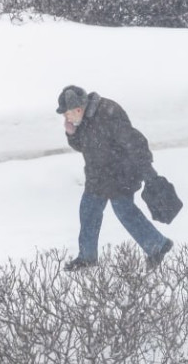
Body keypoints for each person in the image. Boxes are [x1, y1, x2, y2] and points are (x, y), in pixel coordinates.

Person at [56, 85, 174, 272]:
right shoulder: (83, 120)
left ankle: (157, 246)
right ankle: (87, 257)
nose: (66, 118)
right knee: (88, 212)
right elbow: (84, 146)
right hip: (97, 177)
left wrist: (148, 172)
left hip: (121, 174)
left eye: (67, 114)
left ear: (77, 109)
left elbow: (134, 142)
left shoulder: (108, 113)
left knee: (124, 210)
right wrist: (72, 134)